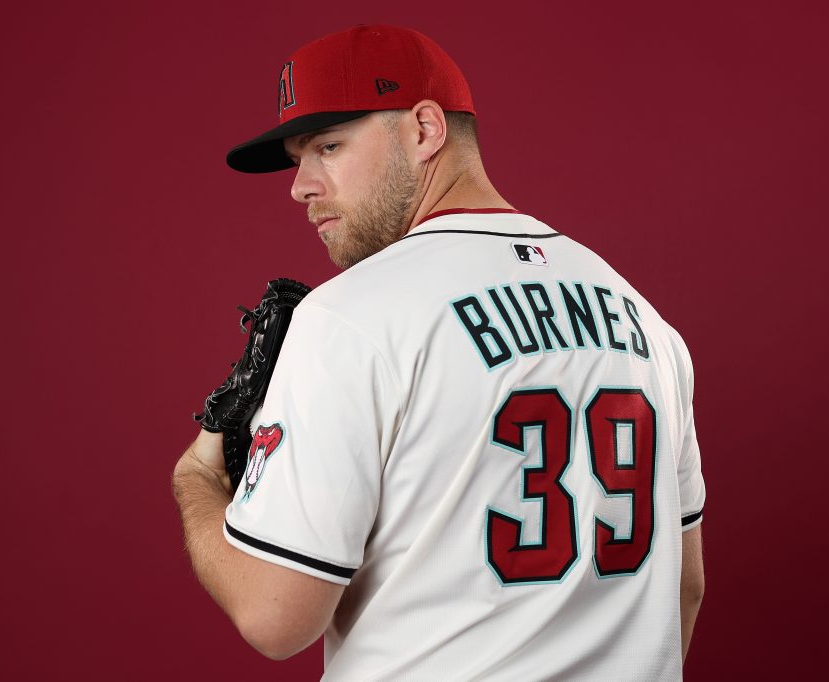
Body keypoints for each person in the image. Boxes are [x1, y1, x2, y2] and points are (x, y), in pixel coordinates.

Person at [173, 24, 705, 680]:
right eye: (297, 157)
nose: (300, 185)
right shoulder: (643, 321)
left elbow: (273, 617)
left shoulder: (349, 318)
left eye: (328, 145)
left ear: (424, 129)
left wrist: (196, 484)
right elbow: (684, 585)